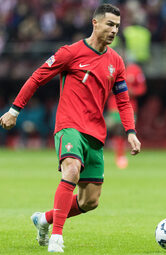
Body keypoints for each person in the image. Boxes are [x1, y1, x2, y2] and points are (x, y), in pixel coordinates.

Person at [0, 4, 141, 253]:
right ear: (95, 23)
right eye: (109, 24)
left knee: (90, 201)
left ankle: (44, 219)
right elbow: (37, 77)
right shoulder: (71, 53)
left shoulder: (116, 62)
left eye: (117, 26)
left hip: (95, 133)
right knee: (72, 169)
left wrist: (130, 131)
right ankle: (56, 237)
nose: (114, 30)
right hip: (69, 126)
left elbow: (123, 100)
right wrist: (14, 110)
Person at [107, 59, 146, 169]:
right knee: (117, 130)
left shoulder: (136, 70)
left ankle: (120, 154)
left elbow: (142, 88)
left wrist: (133, 91)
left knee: (125, 132)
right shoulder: (110, 67)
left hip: (130, 107)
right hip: (114, 106)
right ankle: (120, 155)